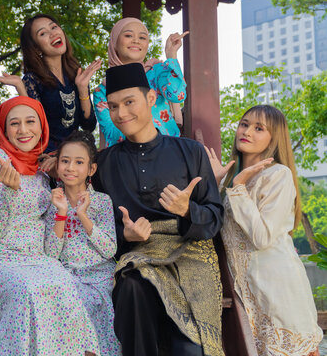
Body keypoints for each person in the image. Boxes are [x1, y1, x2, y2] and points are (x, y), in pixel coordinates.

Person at [92, 63, 224, 356]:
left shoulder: (190, 152)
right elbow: (98, 228)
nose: (121, 113)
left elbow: (215, 218)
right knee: (129, 287)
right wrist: (124, 233)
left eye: (129, 102)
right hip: (140, 259)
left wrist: (188, 210)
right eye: (113, 106)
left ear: (151, 99)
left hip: (190, 257)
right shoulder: (104, 164)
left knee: (190, 350)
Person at [0, 96, 100, 355]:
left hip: (38, 260)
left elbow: (52, 246)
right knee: (28, 291)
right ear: (4, 129)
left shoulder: (42, 175)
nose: (23, 130)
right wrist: (9, 192)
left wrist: (61, 196)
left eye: (31, 121)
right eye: (14, 123)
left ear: (42, 126)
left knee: (66, 288)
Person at [206, 105, 323, 356]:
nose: (247, 131)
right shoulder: (231, 182)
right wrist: (216, 185)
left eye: (259, 128)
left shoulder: (277, 175)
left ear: (274, 138)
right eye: (244, 124)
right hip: (249, 293)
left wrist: (237, 188)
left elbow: (261, 237)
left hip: (279, 290)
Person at [44, 130, 121, 356]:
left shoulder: (101, 201)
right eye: (65, 161)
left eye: (79, 162)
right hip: (67, 275)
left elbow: (109, 250)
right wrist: (61, 213)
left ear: (91, 169)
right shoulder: (52, 201)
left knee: (88, 303)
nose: (70, 168)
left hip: (99, 276)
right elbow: (51, 253)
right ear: (57, 166)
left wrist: (83, 215)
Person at [0, 14, 101, 153]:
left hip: (74, 153)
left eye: (54, 27)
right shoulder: (32, 81)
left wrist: (82, 89)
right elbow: (35, 127)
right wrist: (21, 89)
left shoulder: (75, 75)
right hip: (47, 156)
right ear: (36, 48)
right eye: (43, 33)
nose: (53, 33)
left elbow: (89, 126)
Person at [93, 17, 187, 147]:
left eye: (142, 37)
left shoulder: (156, 72)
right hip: (128, 158)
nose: (136, 40)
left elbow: (178, 95)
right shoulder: (103, 89)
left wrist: (171, 56)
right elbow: (111, 132)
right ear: (114, 41)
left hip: (168, 151)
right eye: (128, 35)